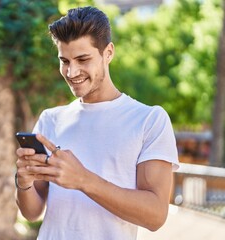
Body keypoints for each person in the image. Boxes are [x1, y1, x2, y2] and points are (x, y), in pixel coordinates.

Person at [15, 6, 179, 240]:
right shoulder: (50, 119)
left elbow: (155, 215)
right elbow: (32, 212)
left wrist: (83, 180)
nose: (72, 72)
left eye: (83, 59)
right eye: (64, 61)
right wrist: (24, 183)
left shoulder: (149, 120)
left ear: (108, 53)